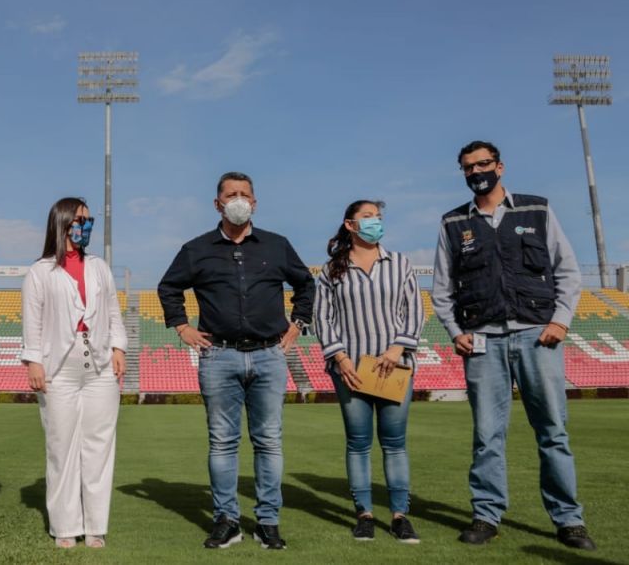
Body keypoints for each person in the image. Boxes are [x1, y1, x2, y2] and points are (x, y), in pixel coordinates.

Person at [431, 140, 596, 550]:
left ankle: (569, 520)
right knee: (487, 435)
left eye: (482, 164)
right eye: (468, 167)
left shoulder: (536, 210)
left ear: (500, 167)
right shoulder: (453, 223)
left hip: (536, 335)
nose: (475, 172)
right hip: (483, 340)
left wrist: (560, 320)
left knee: (553, 432)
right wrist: (456, 332)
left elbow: (567, 269)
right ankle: (486, 516)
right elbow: (441, 289)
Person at [158, 171, 315, 550]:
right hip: (218, 355)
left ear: (255, 202)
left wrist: (298, 324)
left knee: (269, 442)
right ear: (218, 203)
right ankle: (226, 520)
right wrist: (182, 328)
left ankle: (268, 521)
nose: (239, 199)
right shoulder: (196, 249)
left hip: (269, 354)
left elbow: (306, 284)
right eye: (231, 194)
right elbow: (169, 287)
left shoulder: (277, 246)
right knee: (223, 443)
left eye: (245, 194)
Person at [313, 200, 423, 544]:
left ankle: (400, 515)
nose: (376, 222)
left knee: (394, 443)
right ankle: (364, 514)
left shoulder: (400, 263)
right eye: (368, 217)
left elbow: (414, 311)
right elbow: (322, 318)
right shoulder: (332, 270)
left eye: (378, 217)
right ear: (350, 224)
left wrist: (396, 348)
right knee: (358, 444)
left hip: (395, 366)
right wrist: (341, 358)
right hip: (351, 371)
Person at [20, 198, 128, 548]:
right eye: (79, 219)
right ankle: (65, 526)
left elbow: (112, 309)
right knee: (61, 447)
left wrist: (119, 347)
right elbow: (32, 320)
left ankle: (95, 525)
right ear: (61, 222)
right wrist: (33, 360)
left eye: (88, 219)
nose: (85, 225)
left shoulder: (99, 267)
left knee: (99, 446)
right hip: (57, 370)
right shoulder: (40, 271)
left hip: (98, 368)